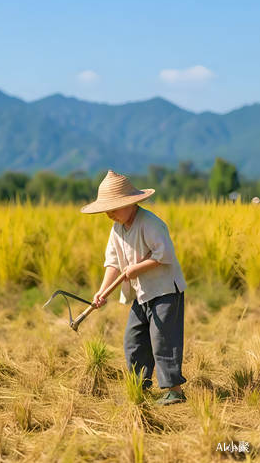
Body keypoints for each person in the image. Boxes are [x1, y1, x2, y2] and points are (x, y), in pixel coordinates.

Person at [81, 170, 187, 405]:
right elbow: (113, 263)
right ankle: (140, 385)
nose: (109, 214)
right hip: (142, 293)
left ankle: (175, 391)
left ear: (130, 203)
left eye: (114, 208)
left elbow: (164, 254)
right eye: (106, 210)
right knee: (134, 338)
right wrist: (102, 291)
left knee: (163, 339)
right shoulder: (117, 229)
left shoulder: (150, 223)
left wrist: (137, 269)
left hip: (165, 291)